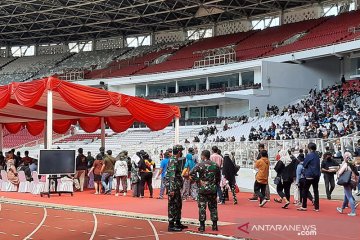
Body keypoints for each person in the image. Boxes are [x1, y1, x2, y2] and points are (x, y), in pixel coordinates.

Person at [190, 150, 221, 233]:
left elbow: (191, 173)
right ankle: (214, 225)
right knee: (213, 207)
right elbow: (218, 177)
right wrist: (215, 184)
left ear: (203, 156)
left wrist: (198, 180)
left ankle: (202, 226)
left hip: (202, 189)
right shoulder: (215, 165)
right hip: (212, 189)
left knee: (202, 207)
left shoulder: (199, 165)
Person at [165, 145, 187, 232]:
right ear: (178, 152)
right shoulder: (173, 160)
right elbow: (171, 176)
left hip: (176, 186)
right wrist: (171, 189)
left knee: (178, 204)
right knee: (172, 206)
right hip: (173, 187)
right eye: (181, 151)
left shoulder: (175, 160)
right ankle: (171, 225)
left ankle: (177, 222)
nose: (181, 153)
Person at [298, 143, 321, 212]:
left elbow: (304, 165)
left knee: (305, 190)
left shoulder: (309, 155)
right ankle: (316, 207)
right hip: (317, 175)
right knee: (316, 190)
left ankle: (304, 206)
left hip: (310, 174)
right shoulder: (317, 155)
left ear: (309, 148)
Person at [336, 152, 359, 216]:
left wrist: (338, 176)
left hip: (347, 182)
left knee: (349, 196)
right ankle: (342, 208)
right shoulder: (353, 165)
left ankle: (353, 212)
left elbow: (340, 173)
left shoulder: (346, 165)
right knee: (346, 195)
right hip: (353, 182)